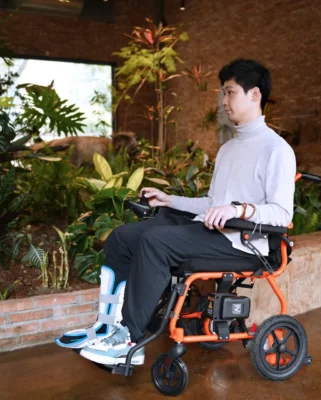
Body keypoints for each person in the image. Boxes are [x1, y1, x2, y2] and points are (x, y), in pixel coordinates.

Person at [55, 59, 297, 366]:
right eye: (224, 93)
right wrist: (169, 200)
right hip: (214, 232)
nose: (224, 101)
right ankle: (107, 325)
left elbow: (280, 214)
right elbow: (213, 204)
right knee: (123, 236)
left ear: (255, 95)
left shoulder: (276, 150)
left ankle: (130, 338)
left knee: (157, 241)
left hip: (244, 243)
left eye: (230, 92)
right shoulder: (229, 149)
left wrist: (239, 209)